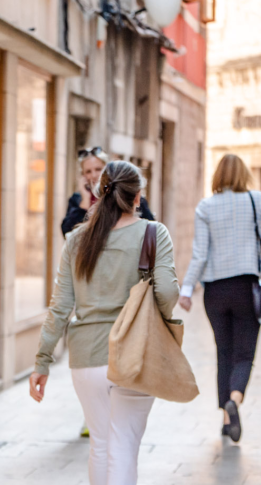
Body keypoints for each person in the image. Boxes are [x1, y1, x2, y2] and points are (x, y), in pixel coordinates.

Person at [31, 161, 179, 485]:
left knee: (101, 443)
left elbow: (60, 307)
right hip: (134, 354)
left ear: (98, 194)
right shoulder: (154, 233)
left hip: (86, 359)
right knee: (124, 445)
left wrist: (42, 362)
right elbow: (167, 291)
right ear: (136, 196)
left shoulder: (77, 239)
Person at [178, 154, 261, 442]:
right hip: (247, 287)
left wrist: (186, 289)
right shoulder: (256, 199)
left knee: (223, 351)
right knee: (244, 353)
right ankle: (234, 398)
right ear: (243, 174)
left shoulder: (205, 207)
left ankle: (226, 417)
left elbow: (200, 253)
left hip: (215, 291)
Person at [62, 147, 155, 439]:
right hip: (90, 287)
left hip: (122, 288)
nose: (91, 176)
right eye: (87, 172)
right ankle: (94, 414)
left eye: (96, 171)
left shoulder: (129, 198)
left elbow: (149, 226)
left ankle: (112, 409)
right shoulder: (77, 201)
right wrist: (81, 200)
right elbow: (67, 232)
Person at [61, 146, 155, 237]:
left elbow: (150, 228)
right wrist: (84, 203)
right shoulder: (77, 199)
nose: (94, 175)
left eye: (98, 169)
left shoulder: (127, 194)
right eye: (88, 172)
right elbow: (68, 233)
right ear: (83, 175)